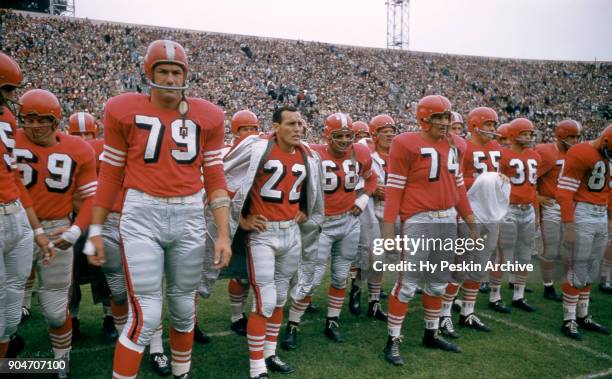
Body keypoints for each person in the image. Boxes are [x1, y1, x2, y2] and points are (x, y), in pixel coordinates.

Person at [86, 40, 232, 379]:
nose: (169, 78)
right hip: (142, 213)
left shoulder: (208, 115)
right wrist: (95, 229)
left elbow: (214, 176)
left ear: (186, 74)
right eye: (162, 71)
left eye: (175, 71)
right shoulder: (122, 109)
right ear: (148, 74)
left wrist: (223, 233)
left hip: (189, 214)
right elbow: (110, 174)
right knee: (147, 314)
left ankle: (181, 374)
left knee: (183, 309)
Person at [222, 105, 323, 379]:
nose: (298, 129)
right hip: (263, 234)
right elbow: (224, 174)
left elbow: (311, 189)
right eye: (291, 124)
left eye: (301, 124)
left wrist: (305, 209)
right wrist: (241, 219)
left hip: (291, 232)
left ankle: (270, 353)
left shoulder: (307, 154)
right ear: (275, 126)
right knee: (265, 300)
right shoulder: (258, 148)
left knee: (279, 299)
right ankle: (257, 366)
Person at [381, 95, 477, 366]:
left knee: (438, 282)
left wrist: (471, 222)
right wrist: (389, 230)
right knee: (408, 283)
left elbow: (458, 188)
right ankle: (393, 340)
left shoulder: (457, 145)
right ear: (424, 118)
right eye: (439, 117)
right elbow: (394, 188)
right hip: (419, 219)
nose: (445, 123)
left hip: (447, 219)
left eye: (447, 117)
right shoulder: (405, 143)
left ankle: (431, 333)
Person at [15, 89, 98, 378]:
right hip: (13, 226)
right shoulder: (9, 139)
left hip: (55, 228)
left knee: (53, 309)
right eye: (29, 118)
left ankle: (60, 361)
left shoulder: (79, 149)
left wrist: (76, 230)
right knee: (8, 312)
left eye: (42, 119)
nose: (35, 125)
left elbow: (91, 199)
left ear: (56, 120)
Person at [282, 112, 377, 348]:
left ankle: (332, 321)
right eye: (339, 135)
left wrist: (362, 200)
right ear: (327, 136)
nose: (345, 140)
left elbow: (372, 179)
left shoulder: (361, 152)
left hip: (349, 222)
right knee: (310, 277)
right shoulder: (312, 153)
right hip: (321, 224)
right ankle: (293, 323)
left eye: (349, 135)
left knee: (340, 274)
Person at [0, 52, 53, 359]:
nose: (11, 98)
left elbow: (13, 176)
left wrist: (37, 229)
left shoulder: (6, 117)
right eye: (7, 90)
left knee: (12, 301)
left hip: (16, 213)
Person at [439, 107, 503, 338]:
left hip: (490, 213)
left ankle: (468, 311)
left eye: (494, 125)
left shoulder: (496, 148)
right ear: (475, 125)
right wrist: (479, 179)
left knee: (480, 265)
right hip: (469, 212)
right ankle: (444, 313)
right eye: (488, 125)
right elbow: (453, 180)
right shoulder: (462, 147)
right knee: (461, 264)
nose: (492, 130)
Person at [556, 124, 612, 340]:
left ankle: (583, 315)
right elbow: (564, 192)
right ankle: (568, 319)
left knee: (592, 268)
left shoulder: (606, 157)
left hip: (599, 215)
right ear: (605, 141)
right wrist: (569, 224)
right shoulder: (580, 152)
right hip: (583, 213)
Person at [491, 118, 542, 313]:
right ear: (513, 134)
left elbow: (534, 187)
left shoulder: (535, 156)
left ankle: (519, 295)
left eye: (530, 133)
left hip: (527, 208)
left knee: (525, 254)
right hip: (508, 209)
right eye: (524, 133)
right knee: (502, 254)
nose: (528, 137)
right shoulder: (502, 155)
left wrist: (536, 213)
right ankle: (495, 295)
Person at [535, 120, 582, 302]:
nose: (575, 140)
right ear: (561, 135)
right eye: (572, 136)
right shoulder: (547, 152)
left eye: (577, 136)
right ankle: (548, 286)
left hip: (572, 205)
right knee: (551, 249)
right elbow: (529, 177)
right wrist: (537, 196)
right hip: (552, 205)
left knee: (571, 249)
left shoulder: (578, 153)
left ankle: (570, 285)